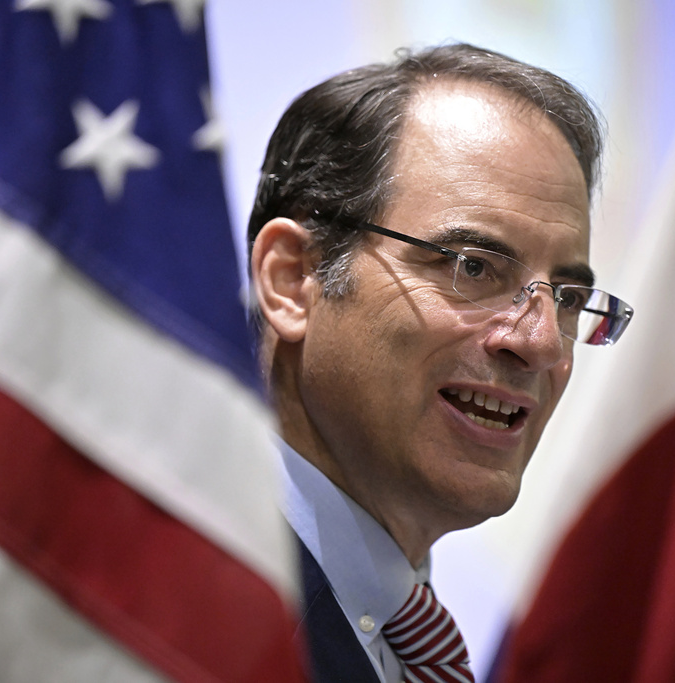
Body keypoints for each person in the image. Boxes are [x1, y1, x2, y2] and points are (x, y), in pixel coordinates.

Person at [248, 43, 633, 683]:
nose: (540, 342)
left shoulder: (399, 635)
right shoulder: (171, 618)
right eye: (473, 266)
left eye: (566, 298)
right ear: (295, 280)